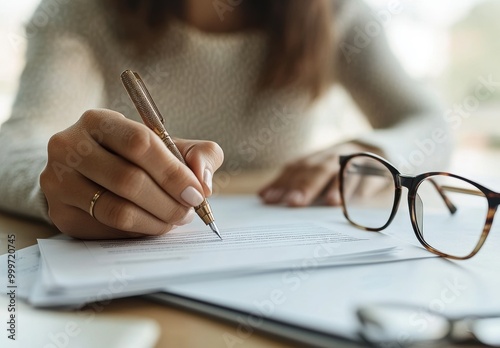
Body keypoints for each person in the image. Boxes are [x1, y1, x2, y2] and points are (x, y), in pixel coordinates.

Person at [0, 0, 451, 239]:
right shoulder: (82, 10)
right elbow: (16, 144)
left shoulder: (336, 12)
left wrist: (373, 152)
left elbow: (430, 122)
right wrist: (57, 183)